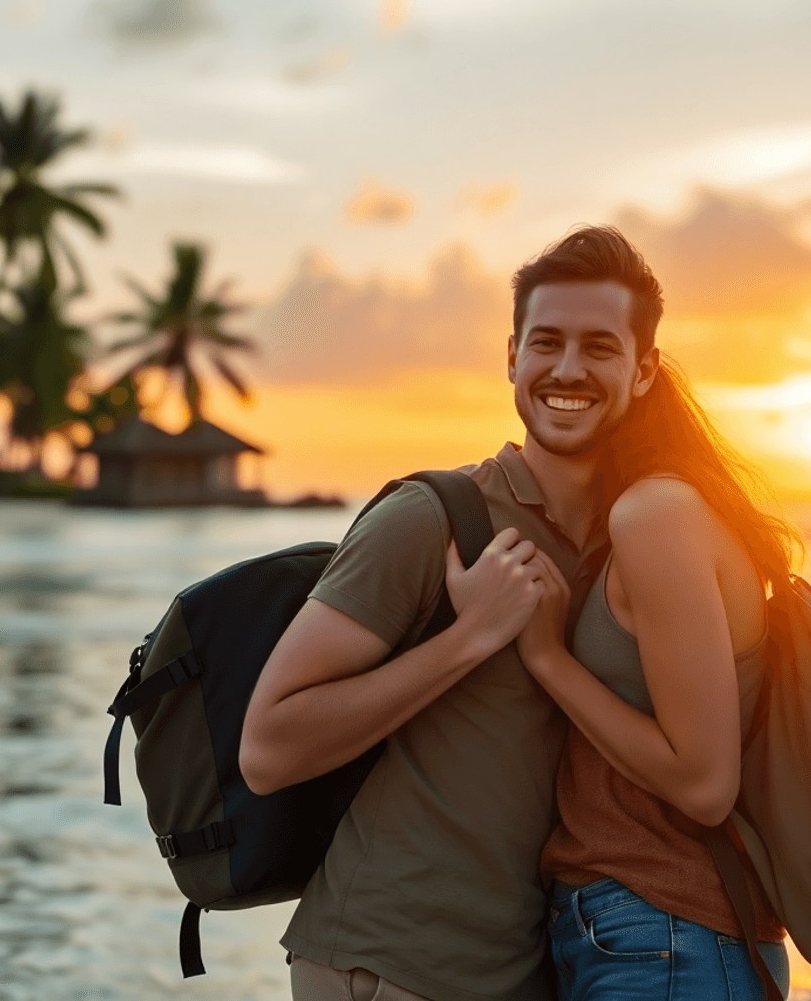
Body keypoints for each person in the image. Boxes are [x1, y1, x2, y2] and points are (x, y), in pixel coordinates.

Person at [239, 227, 662, 1001]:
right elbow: (268, 746)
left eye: (600, 347)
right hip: (387, 957)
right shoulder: (431, 521)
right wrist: (470, 638)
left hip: (524, 969)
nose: (568, 369)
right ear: (512, 357)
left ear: (644, 372)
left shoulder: (637, 541)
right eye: (547, 343)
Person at [515, 343, 801, 999]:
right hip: (642, 931)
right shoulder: (660, 518)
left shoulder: (654, 513)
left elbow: (705, 785)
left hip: (663, 931)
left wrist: (548, 659)